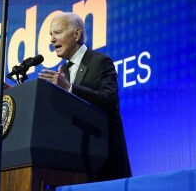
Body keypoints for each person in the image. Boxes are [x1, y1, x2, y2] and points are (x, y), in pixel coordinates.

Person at [38, 11, 132, 181]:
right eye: (51, 34)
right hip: (73, 166)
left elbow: (109, 101)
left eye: (57, 33)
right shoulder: (63, 71)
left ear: (76, 34)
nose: (51, 39)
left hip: (105, 165)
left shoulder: (100, 62)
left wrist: (69, 87)